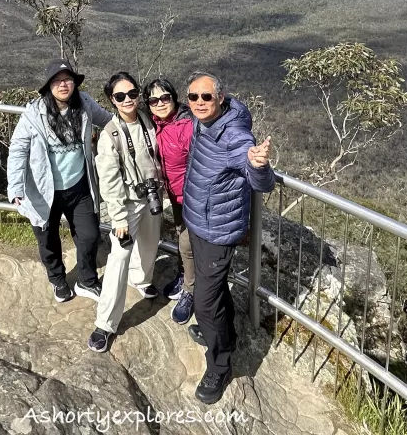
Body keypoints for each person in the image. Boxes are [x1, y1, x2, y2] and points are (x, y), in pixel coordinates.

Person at [181, 70, 274, 405]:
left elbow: (262, 183)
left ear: (221, 97)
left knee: (204, 302)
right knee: (214, 289)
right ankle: (220, 334)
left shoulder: (236, 136)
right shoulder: (201, 122)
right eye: (193, 97)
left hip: (217, 232)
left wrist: (258, 164)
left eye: (207, 96)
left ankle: (220, 364)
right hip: (198, 222)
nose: (200, 103)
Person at [7, 59, 113, 303]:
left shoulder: (85, 104)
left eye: (67, 79)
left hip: (78, 185)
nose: (63, 85)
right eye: (57, 81)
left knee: (89, 235)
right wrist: (15, 187)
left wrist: (129, 133)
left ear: (75, 83)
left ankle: (87, 280)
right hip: (44, 190)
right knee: (48, 239)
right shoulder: (34, 115)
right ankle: (57, 280)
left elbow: (107, 120)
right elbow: (18, 151)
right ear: (48, 86)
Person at [87, 72, 164, 353]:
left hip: (152, 196)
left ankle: (142, 280)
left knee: (150, 243)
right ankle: (105, 324)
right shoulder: (110, 135)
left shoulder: (147, 119)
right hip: (127, 204)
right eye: (120, 96)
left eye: (132, 94)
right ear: (111, 100)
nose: (128, 100)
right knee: (118, 259)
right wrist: (118, 218)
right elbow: (109, 181)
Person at [145, 78, 196, 325]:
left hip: (193, 198)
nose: (160, 103)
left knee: (187, 244)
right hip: (175, 196)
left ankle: (191, 290)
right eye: (153, 100)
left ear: (174, 98)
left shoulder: (187, 126)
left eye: (165, 97)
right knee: (180, 237)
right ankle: (186, 274)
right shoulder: (154, 125)